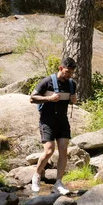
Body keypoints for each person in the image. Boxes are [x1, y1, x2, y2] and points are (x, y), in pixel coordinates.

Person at [29, 57, 77, 194]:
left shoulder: (72, 84)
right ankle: (36, 176)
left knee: (63, 149)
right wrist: (49, 99)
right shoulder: (47, 81)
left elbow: (72, 99)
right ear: (61, 68)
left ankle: (58, 183)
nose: (69, 75)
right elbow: (32, 98)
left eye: (71, 73)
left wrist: (73, 100)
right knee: (49, 150)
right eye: (67, 72)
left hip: (63, 121)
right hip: (47, 121)